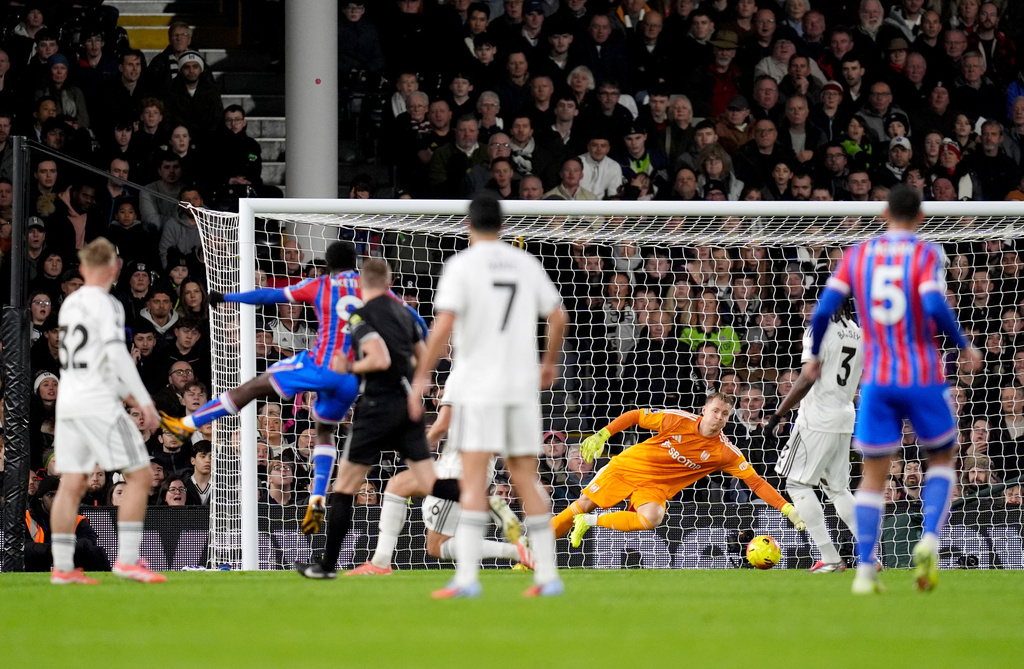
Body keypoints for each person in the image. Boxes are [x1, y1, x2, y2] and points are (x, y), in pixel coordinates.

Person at [808, 184, 982, 594]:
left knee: (872, 475)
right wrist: (962, 344)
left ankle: (866, 570)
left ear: (884, 212)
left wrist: (815, 354)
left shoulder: (858, 255)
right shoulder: (927, 253)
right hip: (922, 373)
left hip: (878, 377)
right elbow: (934, 303)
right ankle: (929, 539)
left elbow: (822, 310)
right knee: (942, 458)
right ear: (921, 217)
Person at [408, 194, 568, 598]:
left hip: (480, 387)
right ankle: (548, 576)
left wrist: (423, 375)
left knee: (475, 480)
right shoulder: (525, 263)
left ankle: (466, 581)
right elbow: (558, 315)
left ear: (468, 225)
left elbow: (443, 325)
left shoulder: (462, 265)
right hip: (521, 386)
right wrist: (548, 364)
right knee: (526, 479)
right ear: (503, 224)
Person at [295, 259, 461, 578]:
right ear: (389, 281)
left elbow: (379, 357)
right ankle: (479, 496)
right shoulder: (406, 314)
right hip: (409, 407)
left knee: (344, 488)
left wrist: (350, 368)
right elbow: (423, 355)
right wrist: (416, 391)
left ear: (359, 285)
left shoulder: (360, 315)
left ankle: (327, 567)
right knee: (431, 483)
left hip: (377, 407)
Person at [47, 237, 165, 584]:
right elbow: (115, 355)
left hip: (69, 400)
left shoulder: (70, 304)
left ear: (83, 269)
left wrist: (125, 395)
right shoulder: (108, 304)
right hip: (97, 402)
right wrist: (142, 399)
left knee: (72, 482)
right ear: (115, 268)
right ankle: (127, 560)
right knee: (141, 476)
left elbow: (91, 360)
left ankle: (63, 568)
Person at [552, 394, 805, 546]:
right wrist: (603, 434)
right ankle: (528, 554)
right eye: (715, 411)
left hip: (654, 487)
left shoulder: (725, 452)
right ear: (704, 411)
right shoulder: (677, 419)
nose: (718, 417)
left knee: (651, 518)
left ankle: (589, 522)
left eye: (724, 414)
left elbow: (757, 483)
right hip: (628, 467)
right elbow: (635, 416)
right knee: (582, 503)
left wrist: (788, 509)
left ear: (728, 419)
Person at [345, 376, 532, 575]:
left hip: (457, 468)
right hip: (474, 465)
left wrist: (418, 449)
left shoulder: (459, 377)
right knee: (397, 485)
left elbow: (442, 424)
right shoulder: (493, 386)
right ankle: (380, 563)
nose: (438, 398)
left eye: (439, 394)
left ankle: (515, 548)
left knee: (437, 546)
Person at [765, 299, 863, 573]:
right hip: (845, 416)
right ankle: (869, 556)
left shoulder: (819, 329)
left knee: (796, 483)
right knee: (838, 488)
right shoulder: (858, 331)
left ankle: (829, 557)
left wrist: (778, 414)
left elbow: (808, 375)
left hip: (818, 417)